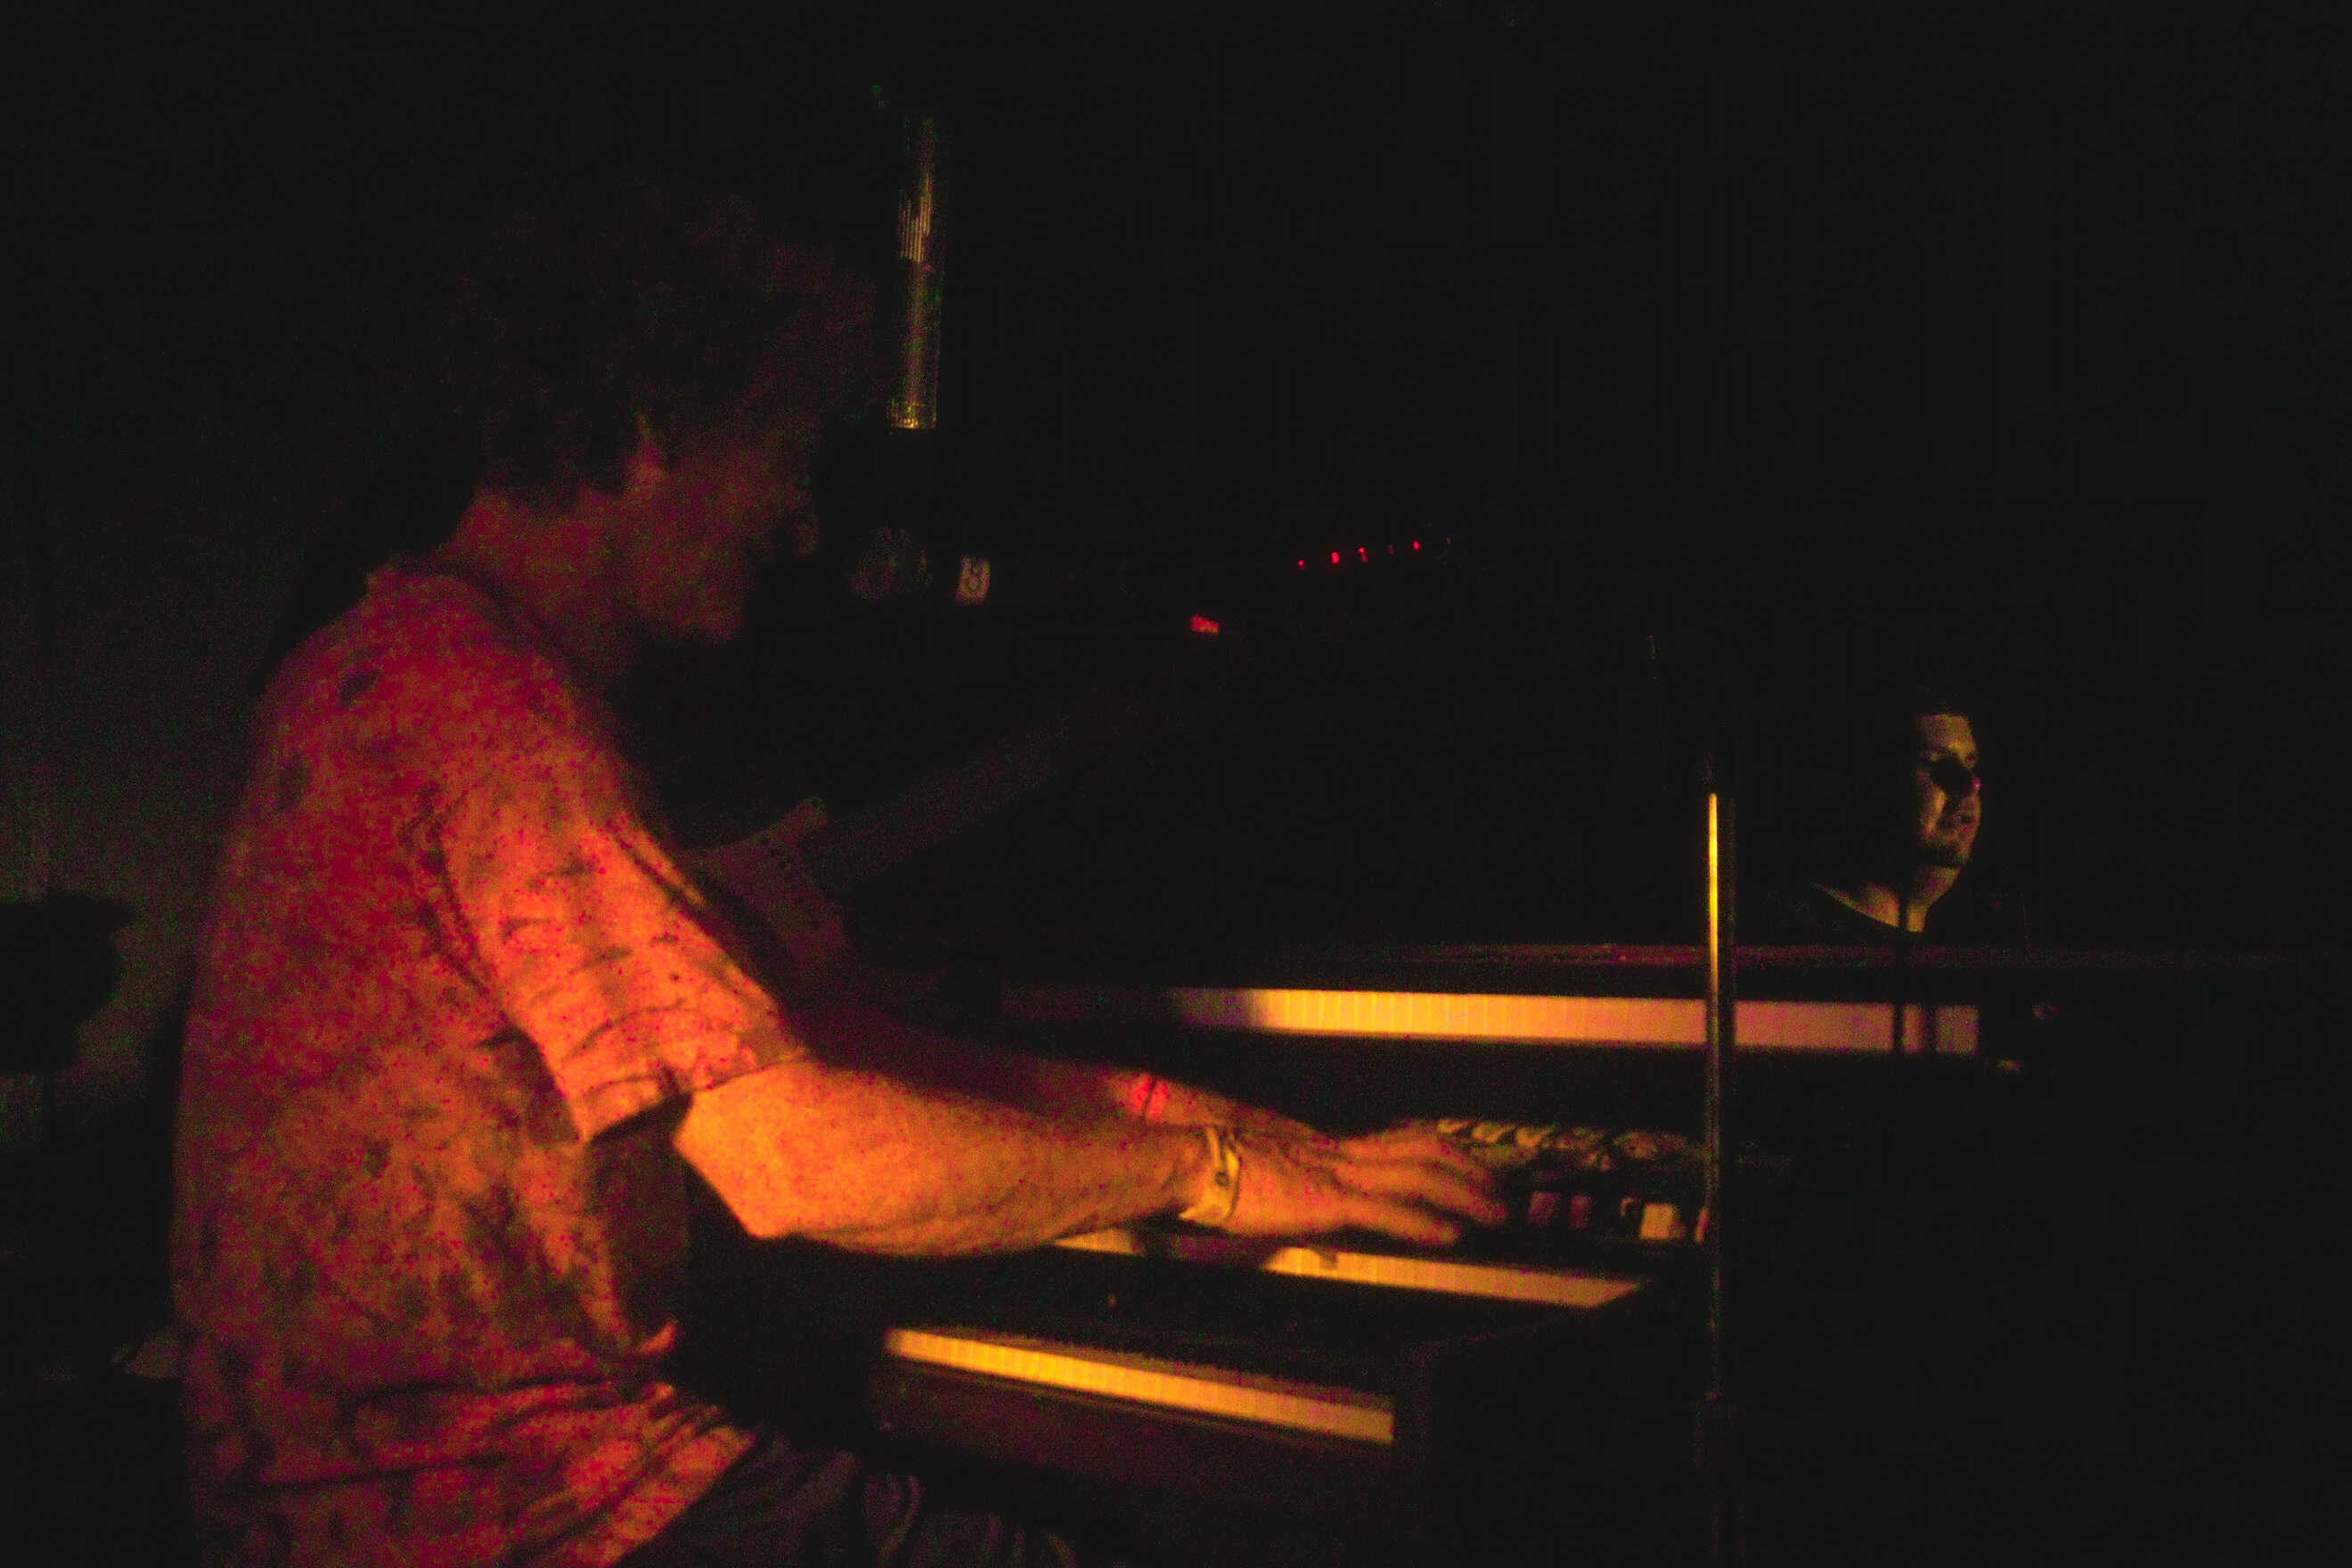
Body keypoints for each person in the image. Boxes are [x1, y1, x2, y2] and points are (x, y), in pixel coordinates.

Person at [169, 184, 1503, 1568]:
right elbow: (790, 1158)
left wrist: (1213, 1125)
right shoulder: (499, 719)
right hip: (519, 1512)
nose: (804, 521)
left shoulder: (363, 666)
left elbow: (785, 1047)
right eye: (787, 453)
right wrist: (1205, 1176)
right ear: (654, 432)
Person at [1752, 689, 2005, 943]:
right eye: (1933, 763)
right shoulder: (1790, 940)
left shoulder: (1975, 943)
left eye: (1970, 765)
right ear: (1868, 781)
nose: (1970, 783)